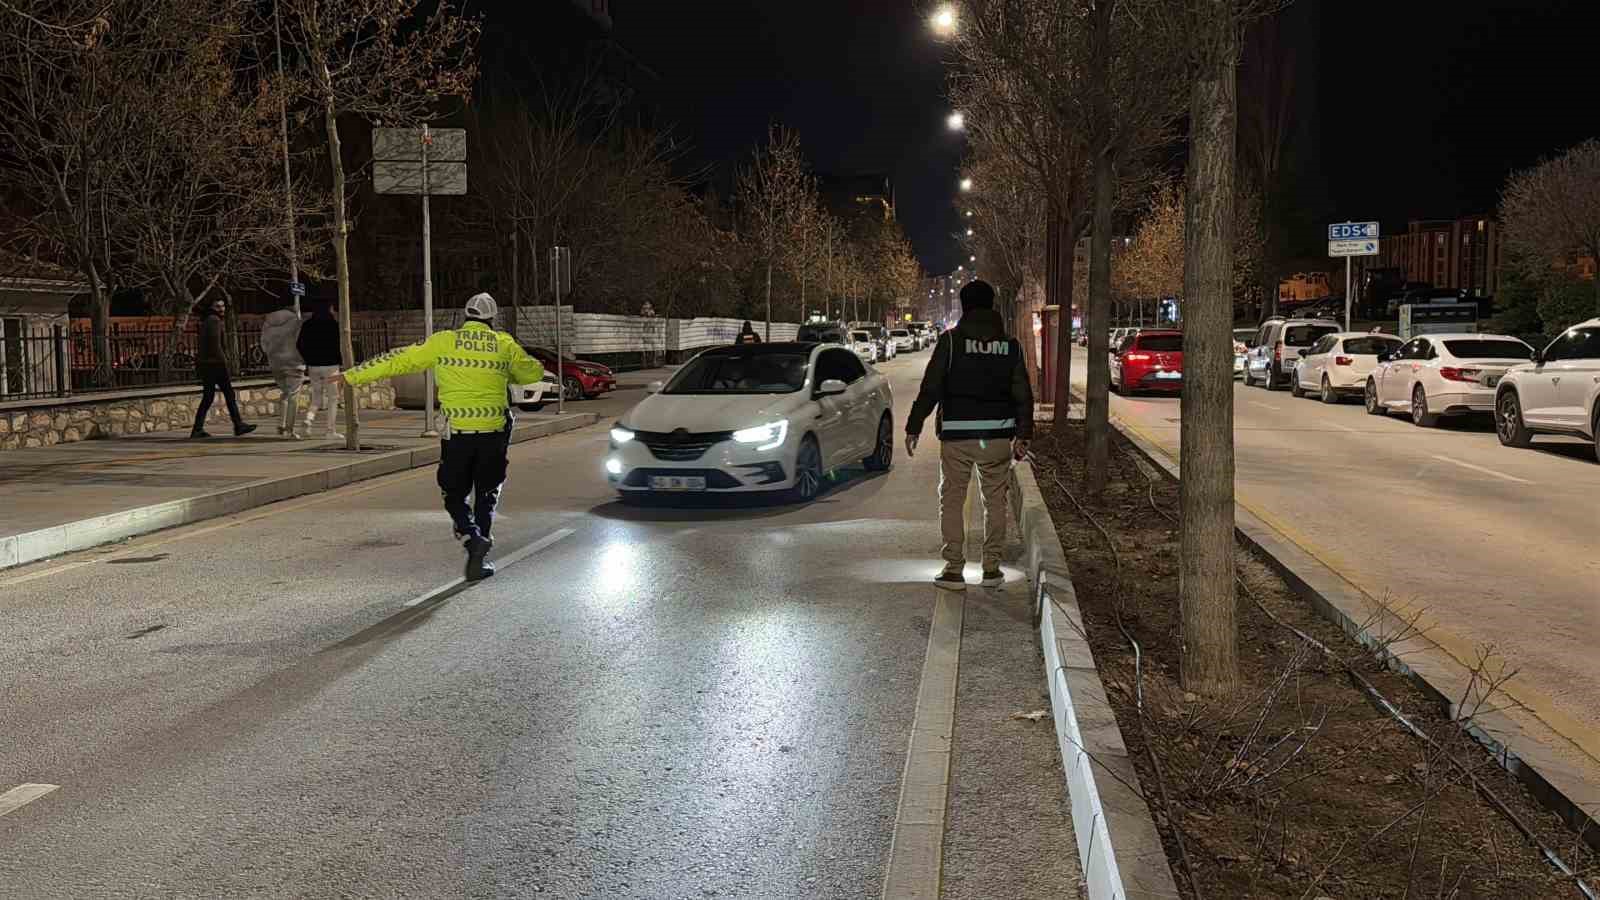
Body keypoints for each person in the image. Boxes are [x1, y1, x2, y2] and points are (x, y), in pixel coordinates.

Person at [327, 293, 543, 581]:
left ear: (464, 317)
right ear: (491, 320)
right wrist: (507, 370)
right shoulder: (503, 344)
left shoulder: (444, 341)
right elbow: (532, 373)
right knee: (487, 494)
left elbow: (399, 359)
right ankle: (478, 558)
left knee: (453, 492)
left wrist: (352, 375)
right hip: (494, 432)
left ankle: (470, 536)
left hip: (458, 434)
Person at [904, 279, 1034, 591]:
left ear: (965, 307)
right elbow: (1023, 394)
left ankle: (953, 569)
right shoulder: (1011, 346)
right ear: (992, 306)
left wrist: (914, 425)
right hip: (998, 436)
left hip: (957, 437)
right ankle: (991, 569)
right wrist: (1024, 434)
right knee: (995, 502)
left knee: (952, 499)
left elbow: (931, 387)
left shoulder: (950, 342)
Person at [190, 298, 257, 439]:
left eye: (223, 306)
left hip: (207, 364)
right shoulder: (214, 320)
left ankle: (198, 429)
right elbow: (215, 344)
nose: (222, 309)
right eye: (218, 306)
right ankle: (238, 425)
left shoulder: (207, 319)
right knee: (228, 394)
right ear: (212, 307)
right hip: (214, 364)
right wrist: (224, 361)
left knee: (209, 396)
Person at [296, 299, 344, 439]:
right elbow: (340, 345)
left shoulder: (307, 325)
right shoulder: (334, 325)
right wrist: (340, 360)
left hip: (313, 366)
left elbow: (299, 344)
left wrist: (308, 358)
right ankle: (330, 430)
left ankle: (309, 419)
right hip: (331, 365)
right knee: (333, 398)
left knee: (316, 397)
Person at [259, 299, 306, 439]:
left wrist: (271, 354)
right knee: (293, 396)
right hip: (293, 362)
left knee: (285, 393)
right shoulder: (295, 321)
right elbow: (300, 341)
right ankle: (289, 430)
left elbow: (263, 343)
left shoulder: (268, 322)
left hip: (275, 363)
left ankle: (281, 423)